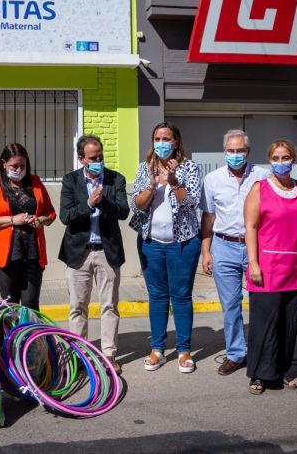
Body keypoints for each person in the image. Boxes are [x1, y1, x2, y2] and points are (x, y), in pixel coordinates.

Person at [244, 140, 297, 394]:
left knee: (288, 324)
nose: (280, 162)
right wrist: (253, 263)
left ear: (294, 160)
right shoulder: (260, 189)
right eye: (275, 158)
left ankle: (281, 369)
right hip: (266, 266)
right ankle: (260, 374)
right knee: (265, 324)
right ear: (269, 161)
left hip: (295, 266)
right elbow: (251, 227)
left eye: (285, 157)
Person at [130, 122, 202, 374]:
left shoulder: (190, 168)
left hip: (182, 243)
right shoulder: (144, 168)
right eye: (157, 138)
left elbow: (192, 203)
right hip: (151, 243)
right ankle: (158, 349)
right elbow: (137, 205)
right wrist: (151, 185)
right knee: (157, 297)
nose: (161, 143)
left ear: (176, 142)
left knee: (181, 296)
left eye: (166, 138)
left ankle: (184, 351)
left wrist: (173, 182)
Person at [200, 129, 269, 375]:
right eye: (231, 151)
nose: (236, 154)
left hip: (256, 248)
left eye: (240, 150)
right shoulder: (212, 179)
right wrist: (206, 251)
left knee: (260, 303)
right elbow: (208, 217)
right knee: (230, 305)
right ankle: (236, 353)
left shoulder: (263, 176)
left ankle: (261, 353)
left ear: (248, 152)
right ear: (224, 152)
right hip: (224, 246)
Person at [59, 135, 130, 374]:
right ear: (81, 159)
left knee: (109, 306)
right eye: (93, 158)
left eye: (100, 156)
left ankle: (110, 355)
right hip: (79, 253)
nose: (98, 160)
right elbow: (66, 216)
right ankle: (79, 355)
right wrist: (89, 203)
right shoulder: (70, 181)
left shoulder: (115, 179)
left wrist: (102, 203)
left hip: (107, 251)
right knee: (78, 306)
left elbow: (123, 211)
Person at [0, 143, 56, 310]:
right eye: (14, 166)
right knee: (10, 305)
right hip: (6, 255)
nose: (19, 170)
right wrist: (12, 220)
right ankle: (11, 337)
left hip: (33, 252)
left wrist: (40, 220)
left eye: (22, 166)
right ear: (4, 164)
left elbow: (51, 214)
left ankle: (30, 336)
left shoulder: (35, 182)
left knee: (31, 304)